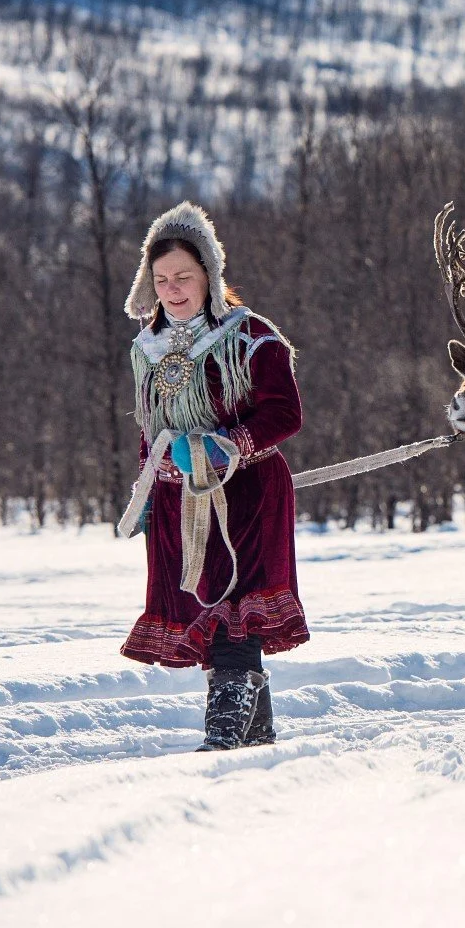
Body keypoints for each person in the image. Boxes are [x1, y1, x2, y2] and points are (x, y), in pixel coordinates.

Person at [115, 202, 305, 751]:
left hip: (245, 498)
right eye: (162, 279)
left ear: (210, 277)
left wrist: (227, 446)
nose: (172, 289)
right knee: (209, 616)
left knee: (233, 618)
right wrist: (148, 488)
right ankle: (256, 737)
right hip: (178, 505)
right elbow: (151, 427)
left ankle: (221, 744)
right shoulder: (146, 349)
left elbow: (285, 412)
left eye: (184, 277)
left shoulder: (251, 336)